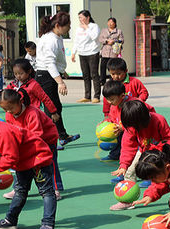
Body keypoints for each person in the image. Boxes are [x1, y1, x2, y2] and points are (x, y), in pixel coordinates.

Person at [110, 100, 170, 210]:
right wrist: (124, 165)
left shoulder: (158, 120)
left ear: (142, 120)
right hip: (144, 152)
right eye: (130, 126)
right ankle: (127, 201)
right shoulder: (131, 127)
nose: (133, 128)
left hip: (162, 153)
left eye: (135, 125)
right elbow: (128, 146)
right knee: (129, 171)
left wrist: (164, 150)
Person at [0, 89, 63, 201]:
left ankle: (54, 189)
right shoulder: (9, 115)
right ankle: (18, 188)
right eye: (5, 109)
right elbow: (11, 132)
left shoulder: (32, 113)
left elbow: (37, 134)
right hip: (27, 141)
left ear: (20, 102)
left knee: (49, 164)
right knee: (20, 163)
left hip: (46, 140)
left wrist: (20, 142)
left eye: (11, 108)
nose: (9, 111)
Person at [35, 11, 80, 147]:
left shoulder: (56, 37)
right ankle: (50, 139)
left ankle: (62, 136)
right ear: (59, 25)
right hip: (45, 76)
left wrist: (62, 71)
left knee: (55, 107)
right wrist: (60, 82)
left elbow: (57, 60)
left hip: (50, 74)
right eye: (68, 25)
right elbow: (49, 63)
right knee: (51, 108)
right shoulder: (51, 40)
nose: (69, 28)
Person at [101, 80, 155, 165]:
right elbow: (112, 117)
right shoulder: (114, 105)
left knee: (144, 149)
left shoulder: (133, 104)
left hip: (142, 130)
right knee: (124, 144)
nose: (109, 102)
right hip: (128, 130)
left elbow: (141, 119)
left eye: (111, 99)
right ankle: (118, 158)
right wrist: (106, 123)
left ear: (122, 96)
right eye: (107, 99)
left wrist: (122, 127)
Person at [6, 59, 59, 123]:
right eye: (15, 74)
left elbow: (45, 98)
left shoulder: (33, 85)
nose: (18, 76)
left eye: (21, 73)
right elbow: (5, 93)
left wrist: (53, 112)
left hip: (32, 114)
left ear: (29, 71)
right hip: (18, 114)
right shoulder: (13, 84)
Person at [72, 10, 101, 104]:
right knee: (85, 75)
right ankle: (87, 96)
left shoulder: (94, 26)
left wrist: (86, 28)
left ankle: (96, 96)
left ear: (88, 17)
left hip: (93, 52)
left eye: (81, 17)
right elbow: (76, 41)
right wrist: (73, 53)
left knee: (94, 74)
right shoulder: (78, 28)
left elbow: (94, 37)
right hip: (82, 53)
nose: (80, 19)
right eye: (79, 17)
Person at [98, 17, 124, 85]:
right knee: (103, 67)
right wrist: (106, 41)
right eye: (109, 22)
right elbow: (100, 39)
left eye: (111, 22)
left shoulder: (118, 31)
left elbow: (122, 40)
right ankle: (102, 81)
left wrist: (114, 41)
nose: (110, 24)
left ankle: (112, 80)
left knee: (112, 67)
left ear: (115, 23)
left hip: (113, 52)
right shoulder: (104, 30)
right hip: (105, 52)